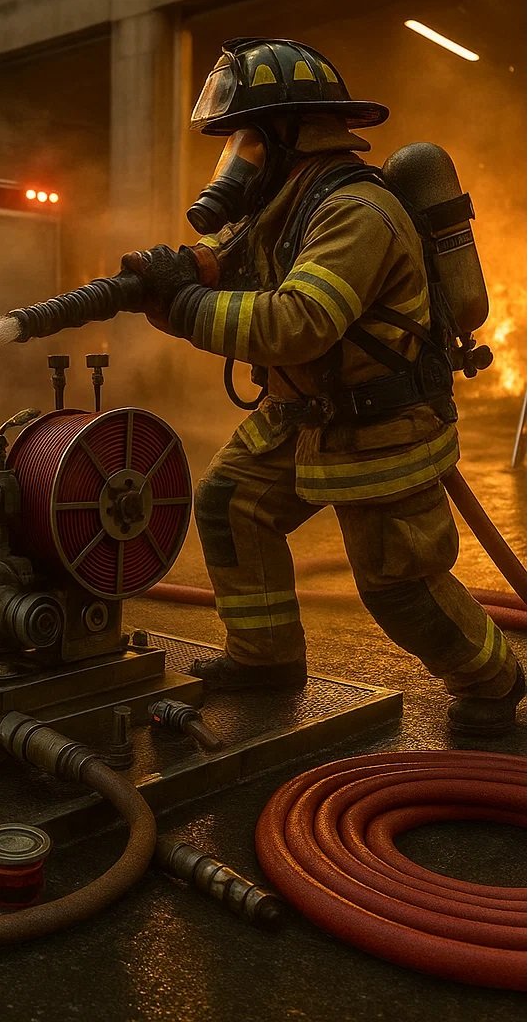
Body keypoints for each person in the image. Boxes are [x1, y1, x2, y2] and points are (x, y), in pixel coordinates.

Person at [119, 37, 524, 736]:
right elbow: (236, 260)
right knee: (231, 502)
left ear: (289, 134)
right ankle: (264, 657)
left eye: (246, 140)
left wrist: (185, 306)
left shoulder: (354, 211)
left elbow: (299, 321)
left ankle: (494, 677)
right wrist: (177, 268)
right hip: (305, 412)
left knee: (399, 589)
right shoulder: (288, 201)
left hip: (381, 424)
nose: (234, 160)